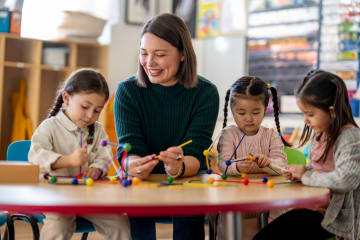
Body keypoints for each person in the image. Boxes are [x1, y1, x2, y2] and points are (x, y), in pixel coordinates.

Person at [114, 13, 219, 240]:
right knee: (135, 202)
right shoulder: (127, 91)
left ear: (182, 54)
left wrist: (178, 167)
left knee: (188, 209)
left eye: (160, 55)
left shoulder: (205, 93)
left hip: (186, 179)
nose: (149, 62)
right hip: (141, 182)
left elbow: (196, 153)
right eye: (144, 53)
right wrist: (133, 164)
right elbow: (127, 149)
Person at [253, 70, 360, 240]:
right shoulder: (321, 135)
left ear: (331, 111)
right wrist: (300, 173)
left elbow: (346, 179)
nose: (305, 120)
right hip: (316, 211)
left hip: (334, 219)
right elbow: (318, 169)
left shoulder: (350, 137)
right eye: (304, 114)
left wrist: (306, 175)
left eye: (310, 114)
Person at [28, 68, 130, 240]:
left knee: (119, 222)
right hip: (55, 196)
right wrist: (67, 160)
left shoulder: (97, 131)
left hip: (89, 197)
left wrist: (97, 169)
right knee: (59, 224)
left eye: (97, 110)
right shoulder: (49, 127)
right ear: (66, 98)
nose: (90, 115)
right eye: (85, 107)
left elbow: (105, 157)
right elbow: (36, 155)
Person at [213, 76, 289, 239]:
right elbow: (222, 164)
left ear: (265, 109)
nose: (248, 118)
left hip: (267, 199)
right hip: (236, 198)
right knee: (234, 223)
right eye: (241, 113)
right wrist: (237, 167)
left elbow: (282, 166)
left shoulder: (271, 136)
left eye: (255, 112)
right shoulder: (228, 135)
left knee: (279, 215)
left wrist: (269, 163)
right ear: (233, 110)